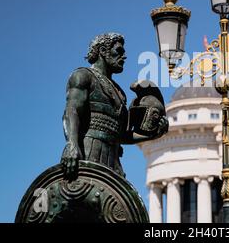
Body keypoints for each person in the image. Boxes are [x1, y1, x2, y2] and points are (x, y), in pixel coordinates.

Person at [61, 33, 168, 180]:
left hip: (114, 161)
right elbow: (72, 111)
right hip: (89, 151)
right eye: (119, 51)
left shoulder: (120, 93)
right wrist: (71, 144)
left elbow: (121, 135)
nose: (124, 56)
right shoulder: (83, 76)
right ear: (103, 52)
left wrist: (153, 134)